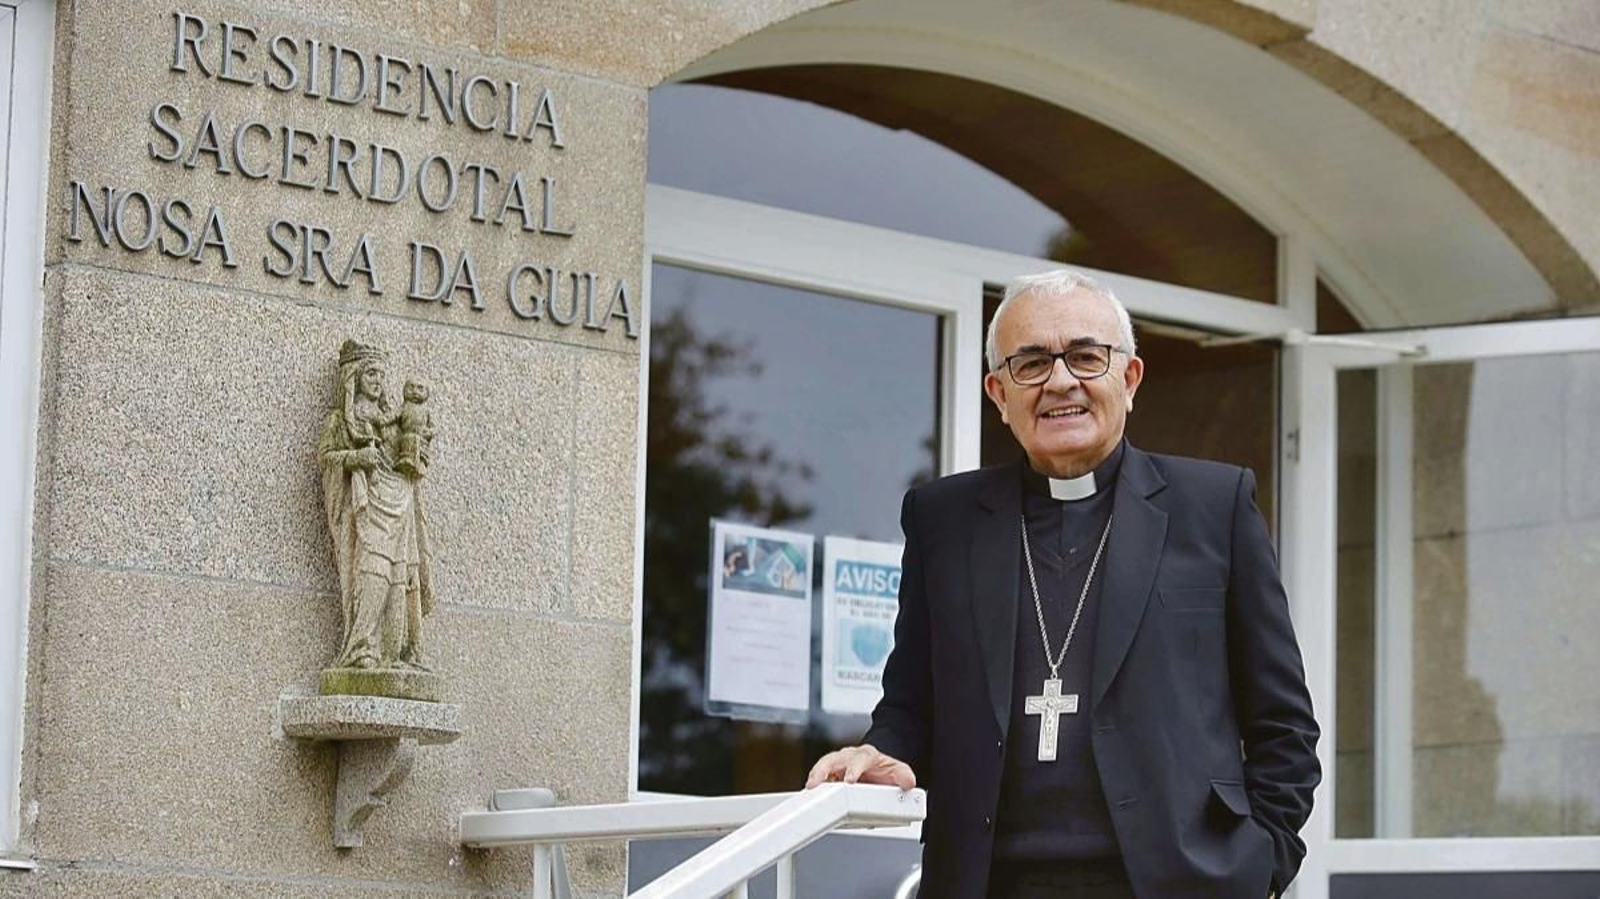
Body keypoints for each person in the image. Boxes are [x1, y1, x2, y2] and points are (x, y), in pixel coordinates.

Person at [806, 269, 1320, 899]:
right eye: (1031, 363)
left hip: (1175, 882)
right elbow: (913, 701)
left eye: (1085, 357)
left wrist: (1261, 864)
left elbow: (1283, 722)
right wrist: (879, 753)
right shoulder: (945, 520)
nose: (1060, 381)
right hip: (990, 883)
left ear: (1128, 378)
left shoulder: (1213, 505)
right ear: (998, 393)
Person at [319, 340, 435, 672]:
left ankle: (394, 651)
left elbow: (408, 453)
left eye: (381, 375)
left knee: (402, 576)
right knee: (374, 572)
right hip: (370, 505)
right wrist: (357, 457)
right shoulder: (342, 421)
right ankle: (360, 646)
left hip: (400, 500)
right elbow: (327, 457)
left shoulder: (390, 419)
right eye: (370, 373)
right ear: (354, 377)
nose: (377, 381)